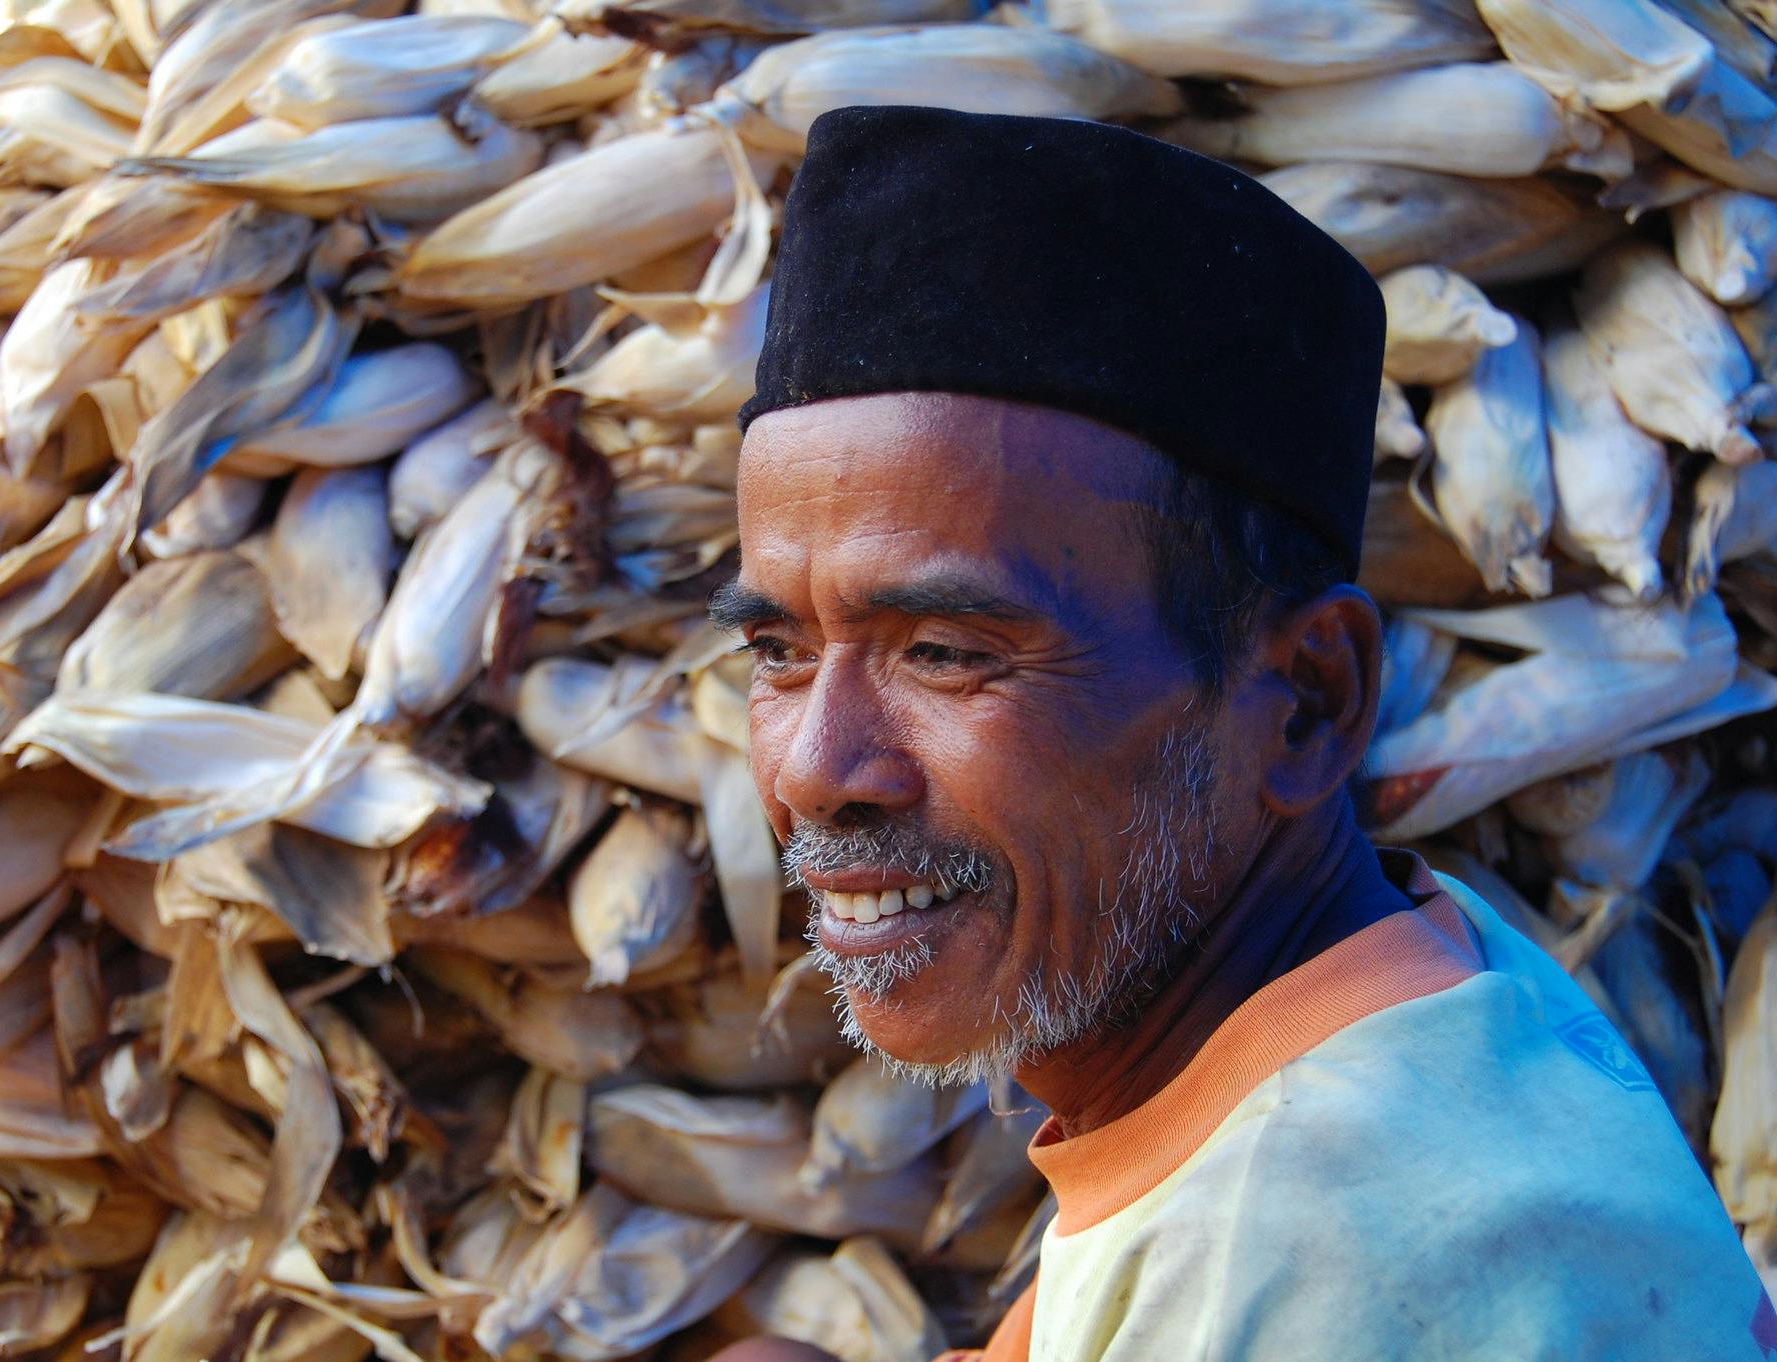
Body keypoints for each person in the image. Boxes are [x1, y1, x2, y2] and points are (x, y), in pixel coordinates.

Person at [703, 106, 1775, 1362]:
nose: (815, 770)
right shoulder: (1401, 997)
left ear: (1305, 705)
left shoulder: (1324, 1267)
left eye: (945, 654)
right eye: (776, 651)